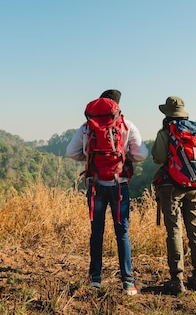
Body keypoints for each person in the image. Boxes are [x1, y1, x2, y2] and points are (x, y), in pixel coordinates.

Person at [66, 89, 149, 296]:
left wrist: (88, 157)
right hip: (119, 185)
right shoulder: (127, 126)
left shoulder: (87, 127)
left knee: (97, 232)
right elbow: (142, 154)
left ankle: (95, 278)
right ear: (118, 106)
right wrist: (124, 156)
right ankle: (128, 282)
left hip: (95, 186)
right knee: (122, 233)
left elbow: (71, 152)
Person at [151, 96, 196, 294]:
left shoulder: (166, 132)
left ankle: (177, 280)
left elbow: (158, 158)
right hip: (194, 187)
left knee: (174, 231)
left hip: (171, 187)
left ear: (167, 113)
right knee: (195, 230)